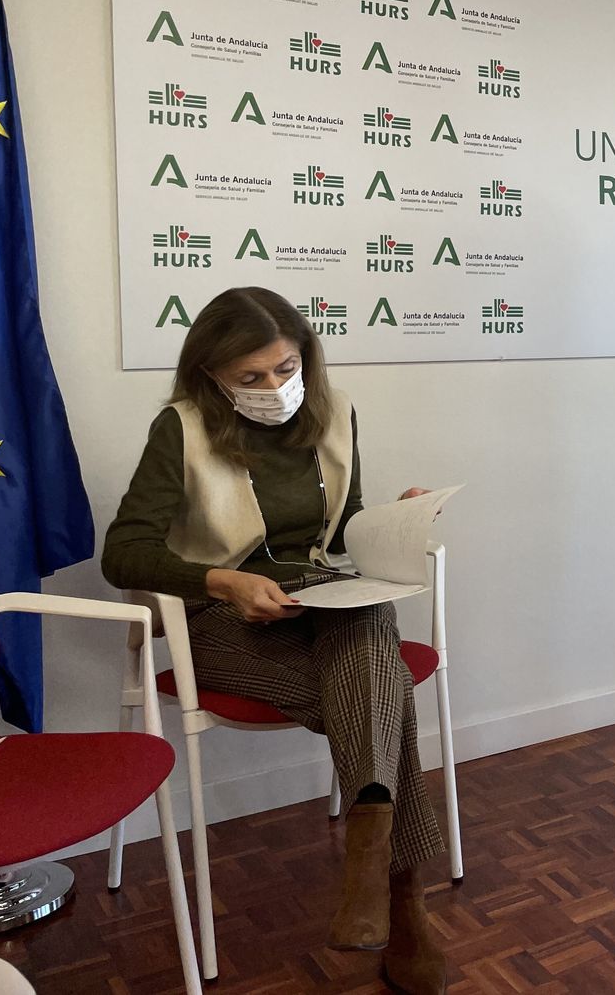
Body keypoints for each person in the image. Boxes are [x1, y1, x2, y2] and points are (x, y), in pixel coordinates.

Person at [102, 288, 445, 995]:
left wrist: (391, 522)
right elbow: (123, 553)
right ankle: (402, 899)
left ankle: (377, 872)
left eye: (285, 368)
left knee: (367, 619)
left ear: (305, 357)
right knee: (381, 686)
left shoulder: (335, 410)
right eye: (249, 377)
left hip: (323, 603)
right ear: (211, 373)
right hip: (218, 623)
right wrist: (224, 581)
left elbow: (344, 526)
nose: (274, 388)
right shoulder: (183, 427)